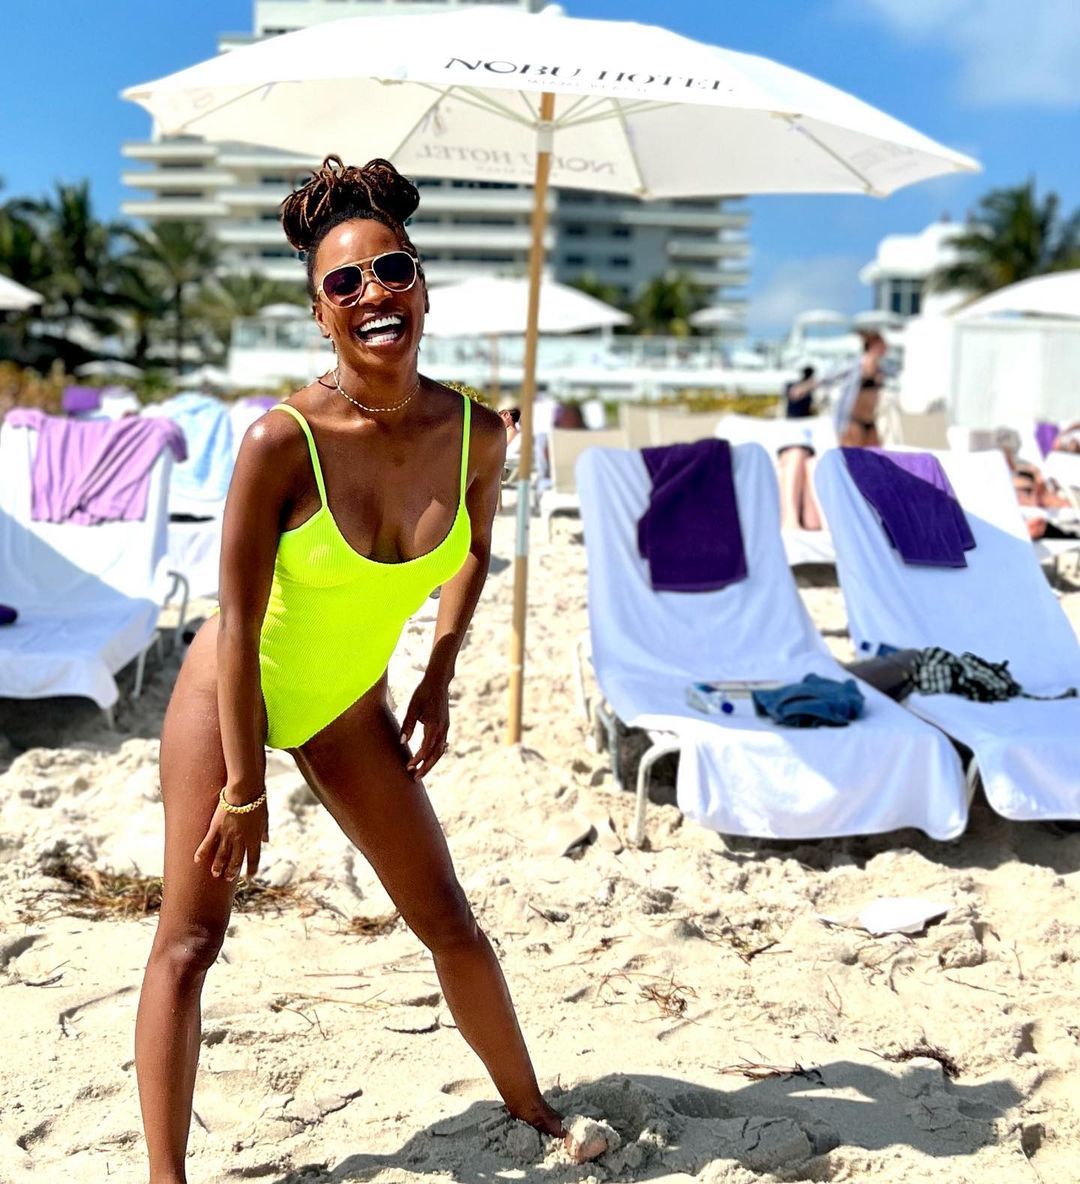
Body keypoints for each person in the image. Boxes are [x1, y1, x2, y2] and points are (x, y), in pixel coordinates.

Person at [135, 155, 563, 1183]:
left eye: (393, 269)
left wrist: (440, 672)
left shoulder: (476, 432)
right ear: (321, 313)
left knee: (448, 920)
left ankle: (535, 1109)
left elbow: (473, 551)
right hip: (230, 694)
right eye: (346, 281)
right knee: (190, 941)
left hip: (347, 702)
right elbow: (237, 626)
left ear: (423, 287)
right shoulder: (280, 441)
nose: (375, 292)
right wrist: (244, 787)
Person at [834, 330, 887, 447]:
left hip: (870, 421)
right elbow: (832, 375)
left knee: (876, 455)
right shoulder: (858, 365)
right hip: (854, 421)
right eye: (883, 344)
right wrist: (805, 386)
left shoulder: (879, 368)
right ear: (874, 345)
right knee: (852, 456)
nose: (886, 347)